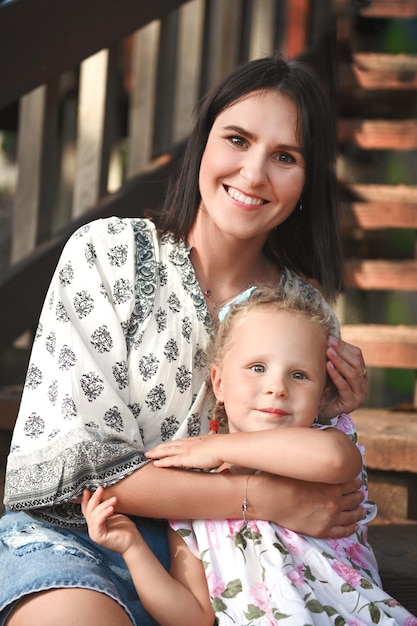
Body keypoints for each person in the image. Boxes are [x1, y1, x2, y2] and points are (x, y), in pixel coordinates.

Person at [0, 54, 369, 626]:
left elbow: (328, 498)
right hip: (80, 541)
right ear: (203, 143)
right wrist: (262, 497)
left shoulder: (307, 312)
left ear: (307, 179)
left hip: (234, 573)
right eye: (238, 140)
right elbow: (71, 469)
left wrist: (329, 414)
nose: (252, 174)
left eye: (285, 157)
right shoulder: (110, 252)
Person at [83, 286, 417, 625]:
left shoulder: (324, 443)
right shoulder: (197, 495)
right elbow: (190, 616)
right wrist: (132, 548)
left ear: (321, 396)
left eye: (299, 375)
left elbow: (334, 459)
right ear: (219, 382)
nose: (278, 387)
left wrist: (215, 446)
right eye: (257, 367)